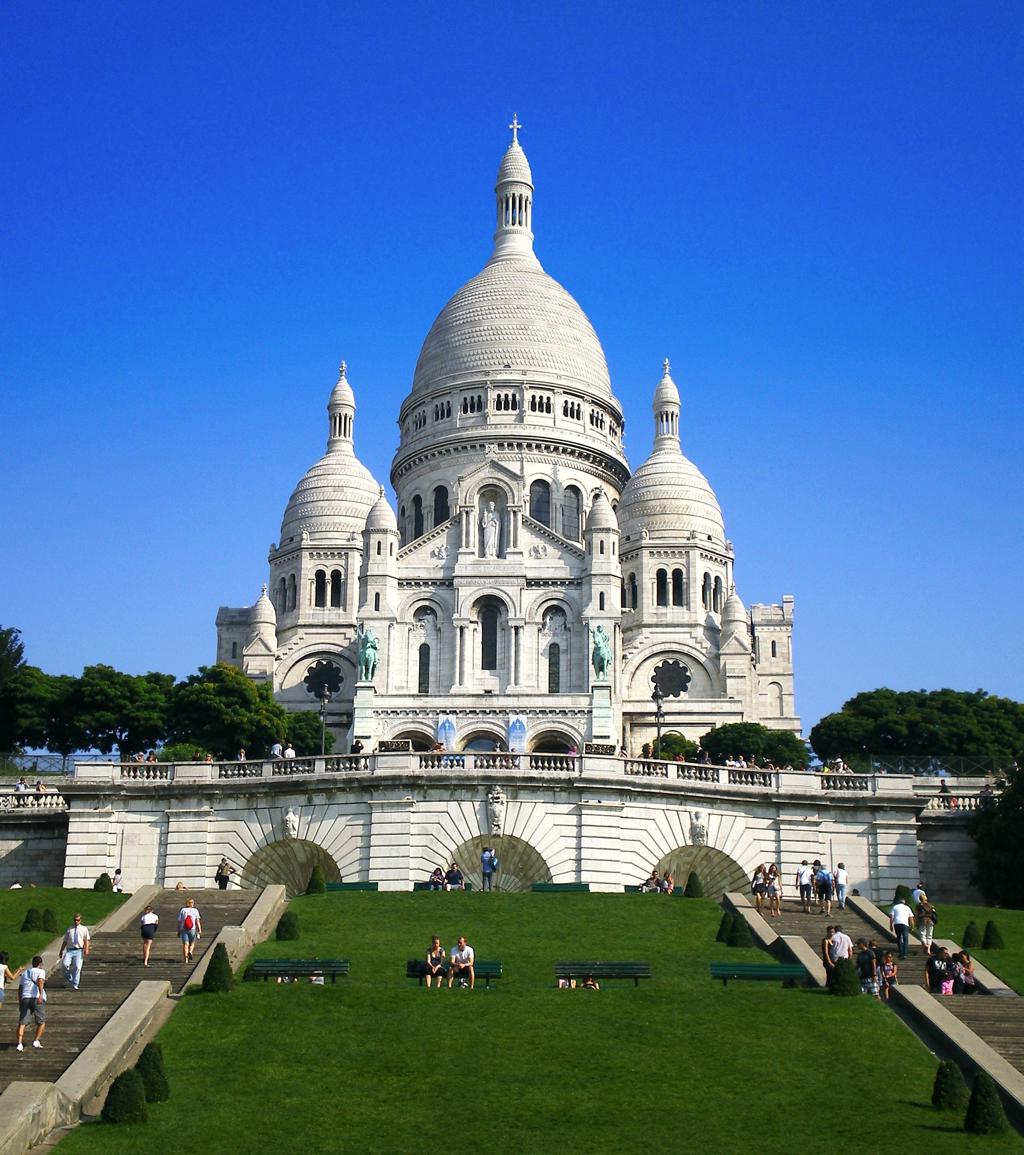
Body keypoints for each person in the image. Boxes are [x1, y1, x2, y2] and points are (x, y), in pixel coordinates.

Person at [15, 955, 46, 1051]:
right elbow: (40, 981)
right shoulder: (41, 971)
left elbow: (20, 989)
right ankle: (36, 1041)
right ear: (40, 964)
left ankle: (19, 1044)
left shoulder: (24, 973)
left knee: (22, 1022)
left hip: (25, 998)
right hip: (36, 998)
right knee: (41, 1021)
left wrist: (20, 1001)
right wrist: (40, 994)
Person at [58, 914, 91, 990]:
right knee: (65, 964)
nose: (76, 921)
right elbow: (65, 941)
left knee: (77, 967)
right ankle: (69, 979)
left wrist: (86, 949)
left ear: (80, 920)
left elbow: (86, 940)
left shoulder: (83, 929)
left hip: (79, 950)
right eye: (75, 920)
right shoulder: (70, 929)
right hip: (70, 950)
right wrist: (61, 950)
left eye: (78, 920)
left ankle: (75, 984)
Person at [889, 896, 915, 960]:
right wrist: (912, 926)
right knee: (905, 939)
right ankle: (905, 953)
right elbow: (911, 918)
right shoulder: (907, 908)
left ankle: (900, 952)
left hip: (897, 924)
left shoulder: (895, 907)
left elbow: (891, 916)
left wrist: (891, 925)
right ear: (904, 902)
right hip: (905, 924)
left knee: (899, 938)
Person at [178, 898, 202, 963]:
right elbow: (197, 921)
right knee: (192, 943)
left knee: (185, 944)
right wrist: (199, 930)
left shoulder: (183, 910)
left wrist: (179, 930)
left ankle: (186, 960)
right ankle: (190, 951)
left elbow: (179, 921)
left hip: (184, 929)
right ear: (192, 903)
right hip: (192, 929)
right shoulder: (195, 910)